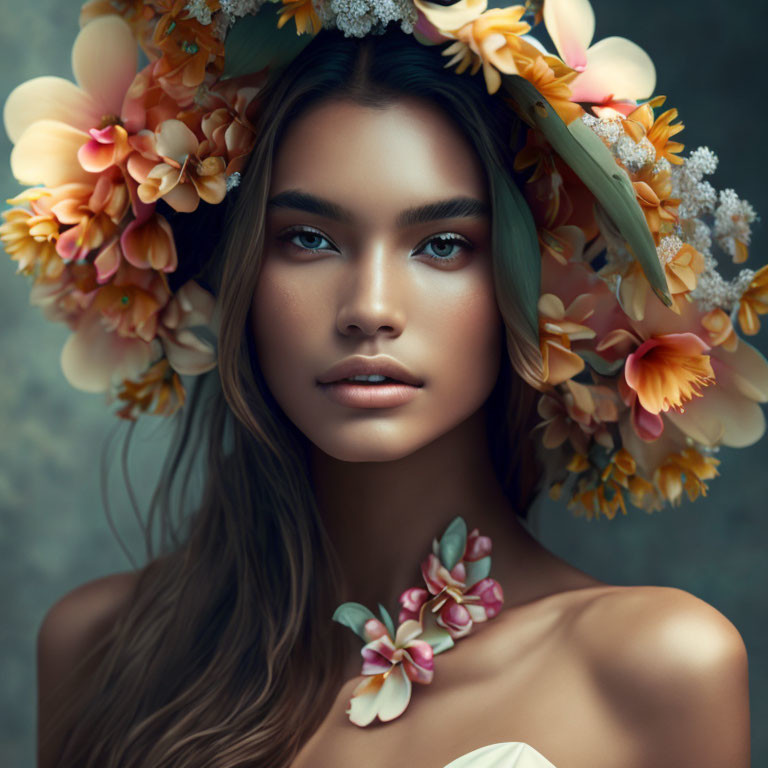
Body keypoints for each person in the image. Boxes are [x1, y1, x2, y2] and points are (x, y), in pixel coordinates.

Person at [2, 2, 761, 767]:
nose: (369, 308)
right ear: (232, 272)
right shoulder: (97, 649)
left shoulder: (655, 670)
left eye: (440, 245)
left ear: (533, 276)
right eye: (308, 238)